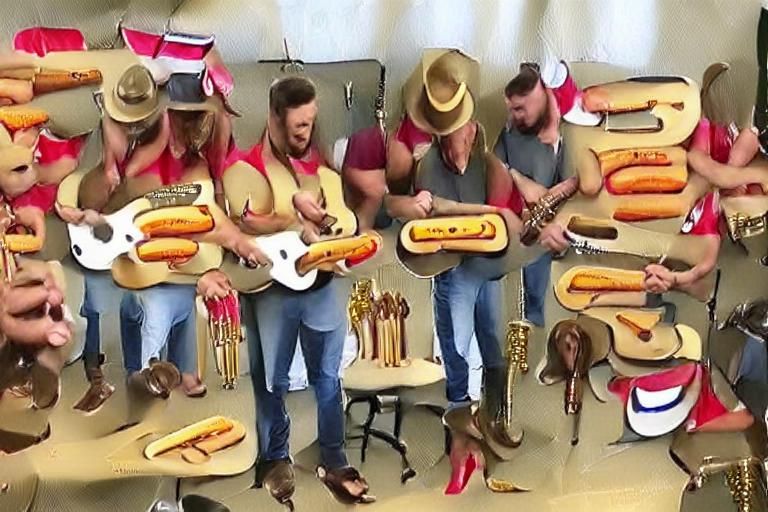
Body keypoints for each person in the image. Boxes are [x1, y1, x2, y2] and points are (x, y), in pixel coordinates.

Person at [197, 76, 373, 507]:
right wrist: (294, 218)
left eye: (310, 122)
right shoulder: (242, 168)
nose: (306, 132)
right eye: (298, 126)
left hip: (321, 286)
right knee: (271, 381)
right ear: (274, 117)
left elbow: (345, 224)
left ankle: (334, 460)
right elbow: (244, 220)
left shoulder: (324, 174)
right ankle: (275, 458)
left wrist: (324, 223)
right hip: (270, 289)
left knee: (328, 378)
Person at [493, 63, 567, 326]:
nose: (513, 115)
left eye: (519, 109)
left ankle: (534, 335)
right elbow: (495, 164)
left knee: (535, 300)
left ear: (539, 100)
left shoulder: (565, 131)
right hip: (510, 218)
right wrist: (520, 180)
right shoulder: (512, 128)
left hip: (549, 226)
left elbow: (575, 184)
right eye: (511, 109)